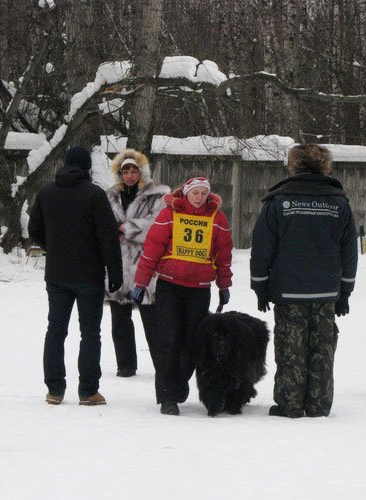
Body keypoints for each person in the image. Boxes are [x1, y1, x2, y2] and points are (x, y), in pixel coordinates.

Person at [250, 144, 357, 418]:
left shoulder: (278, 202)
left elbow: (262, 247)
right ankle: (319, 404)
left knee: (291, 348)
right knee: (322, 349)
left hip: (289, 290)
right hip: (326, 291)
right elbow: (348, 250)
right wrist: (345, 290)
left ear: (294, 166)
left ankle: (290, 403)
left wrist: (260, 286)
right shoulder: (339, 202)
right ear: (325, 166)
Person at [28, 146, 123, 406]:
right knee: (90, 332)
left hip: (57, 274)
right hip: (89, 275)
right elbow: (108, 237)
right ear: (87, 167)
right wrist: (115, 273)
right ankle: (88, 391)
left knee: (55, 330)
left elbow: (34, 229)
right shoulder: (94, 195)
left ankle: (55, 390)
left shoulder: (47, 193)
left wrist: (53, 246)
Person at [132, 176, 233, 415]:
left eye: (203, 193)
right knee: (169, 340)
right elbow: (151, 250)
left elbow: (223, 254)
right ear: (185, 194)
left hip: (199, 289)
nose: (199, 197)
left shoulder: (217, 219)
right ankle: (167, 397)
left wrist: (224, 284)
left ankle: (179, 383)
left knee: (192, 341)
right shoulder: (170, 215)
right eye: (195, 193)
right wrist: (141, 282)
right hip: (170, 287)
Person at [105, 149, 170, 377]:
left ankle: (162, 364)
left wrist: (127, 228)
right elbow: (103, 225)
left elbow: (159, 226)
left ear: (142, 172)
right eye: (126, 171)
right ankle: (125, 365)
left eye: (134, 170)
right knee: (119, 319)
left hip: (146, 264)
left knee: (152, 319)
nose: (130, 175)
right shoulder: (110, 195)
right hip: (118, 264)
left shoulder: (157, 195)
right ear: (119, 174)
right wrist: (113, 231)